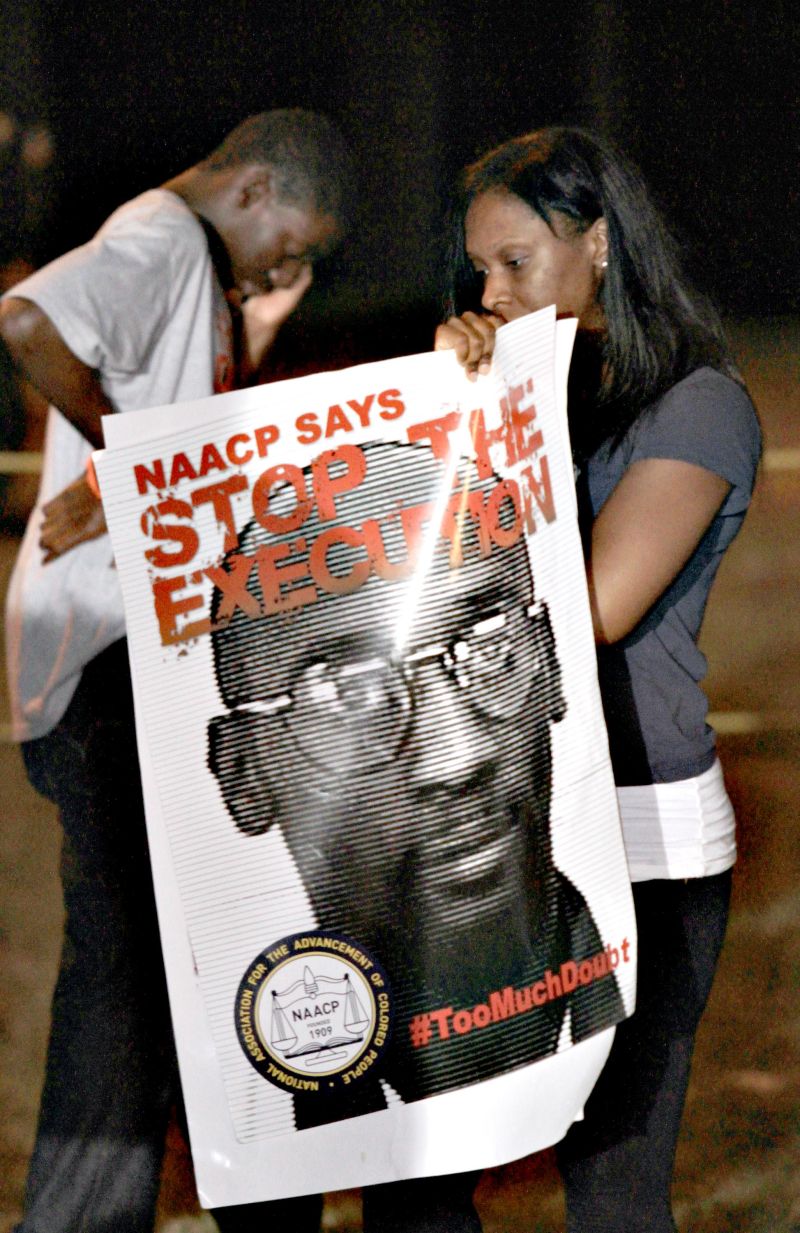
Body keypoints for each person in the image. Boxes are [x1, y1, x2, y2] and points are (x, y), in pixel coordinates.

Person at [0, 109, 352, 1233]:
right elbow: (25, 320)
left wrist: (232, 357)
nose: (291, 267)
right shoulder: (159, 238)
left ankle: (195, 1200)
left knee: (172, 958)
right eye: (293, 243)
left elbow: (182, 442)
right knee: (132, 968)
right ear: (252, 191)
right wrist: (127, 459)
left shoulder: (201, 274)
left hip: (138, 665)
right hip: (107, 668)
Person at [434, 126, 761, 1233]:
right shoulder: (535, 392)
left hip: (640, 836)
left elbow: (594, 608)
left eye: (514, 262)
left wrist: (500, 412)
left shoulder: (697, 407)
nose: (489, 291)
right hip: (495, 820)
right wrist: (456, 410)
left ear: (602, 246)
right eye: (478, 267)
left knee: (611, 1181)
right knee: (422, 1169)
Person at [208, 438, 622, 1231]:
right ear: (242, 772)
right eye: (348, 691)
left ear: (550, 663)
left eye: (492, 644)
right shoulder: (250, 1079)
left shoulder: (638, 1031)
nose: (455, 754)